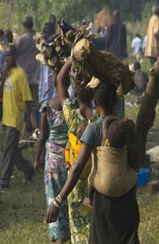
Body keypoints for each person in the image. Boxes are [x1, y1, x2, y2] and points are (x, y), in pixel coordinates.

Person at [47, 82, 151, 244]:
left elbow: (78, 168)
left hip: (104, 197)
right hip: (128, 192)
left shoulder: (93, 128)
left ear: (95, 103)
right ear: (116, 102)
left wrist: (58, 200)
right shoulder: (125, 125)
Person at [42, 59, 97, 244]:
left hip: (75, 180)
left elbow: (59, 80)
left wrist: (72, 58)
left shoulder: (72, 117)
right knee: (93, 225)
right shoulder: (99, 119)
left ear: (77, 95)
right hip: (95, 179)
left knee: (78, 227)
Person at [35, 75, 70, 243]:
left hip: (53, 163)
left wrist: (37, 159)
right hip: (72, 160)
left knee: (53, 199)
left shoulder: (47, 106)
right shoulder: (73, 106)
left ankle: (58, 238)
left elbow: (42, 137)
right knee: (69, 198)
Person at [0, 45, 34, 188]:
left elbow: (27, 99)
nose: (9, 58)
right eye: (7, 55)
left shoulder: (20, 74)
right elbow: (0, 94)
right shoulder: (7, 73)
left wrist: (29, 119)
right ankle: (28, 169)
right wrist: (3, 76)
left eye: (12, 55)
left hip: (15, 117)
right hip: (6, 117)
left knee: (8, 148)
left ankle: (4, 180)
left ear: (16, 56)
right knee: (12, 149)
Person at [15, 14, 40, 129]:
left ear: (23, 25)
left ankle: (25, 126)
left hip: (22, 77)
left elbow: (12, 53)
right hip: (35, 76)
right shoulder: (37, 39)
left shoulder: (20, 40)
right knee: (35, 103)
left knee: (24, 103)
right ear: (32, 24)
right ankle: (37, 126)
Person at [38, 23, 56, 110]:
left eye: (46, 33)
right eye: (43, 33)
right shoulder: (42, 53)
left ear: (52, 34)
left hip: (54, 97)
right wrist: (40, 97)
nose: (43, 35)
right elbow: (42, 78)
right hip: (44, 97)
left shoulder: (57, 53)